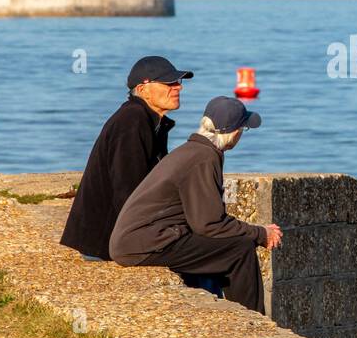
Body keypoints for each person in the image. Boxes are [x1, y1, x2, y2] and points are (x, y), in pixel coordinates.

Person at [109, 96, 282, 313]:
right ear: (235, 132)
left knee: (229, 245)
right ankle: (254, 326)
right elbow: (209, 224)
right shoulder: (204, 158)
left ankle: (227, 313)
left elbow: (203, 219)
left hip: (144, 239)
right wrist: (259, 234)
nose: (240, 134)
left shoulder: (194, 150)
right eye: (242, 129)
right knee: (240, 250)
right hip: (145, 244)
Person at [59, 56, 193, 261]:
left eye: (178, 82)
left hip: (116, 235)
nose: (178, 88)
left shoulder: (149, 120)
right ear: (142, 89)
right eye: (169, 83)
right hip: (105, 243)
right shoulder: (133, 120)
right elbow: (129, 188)